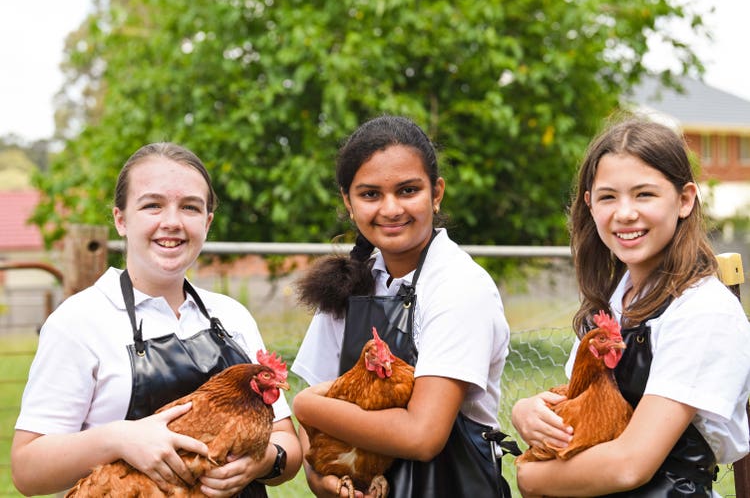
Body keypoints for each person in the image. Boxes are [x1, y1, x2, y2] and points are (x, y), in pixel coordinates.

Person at [11, 142, 302, 496]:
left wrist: (262, 459)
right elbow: (27, 470)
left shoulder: (231, 316)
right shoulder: (79, 322)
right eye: (152, 205)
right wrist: (117, 438)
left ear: (207, 223)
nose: (172, 222)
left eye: (190, 208)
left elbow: (289, 443)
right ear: (121, 219)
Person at [512, 117, 750, 496]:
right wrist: (525, 411)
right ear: (589, 205)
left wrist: (530, 477)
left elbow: (630, 465)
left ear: (685, 200)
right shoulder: (614, 302)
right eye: (608, 197)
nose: (624, 213)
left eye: (644, 195)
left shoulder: (702, 310)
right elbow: (584, 401)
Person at [291, 114, 515, 498]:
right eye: (370, 194)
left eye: (408, 190)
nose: (391, 209)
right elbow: (314, 441)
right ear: (348, 202)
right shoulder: (349, 284)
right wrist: (327, 479)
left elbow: (422, 435)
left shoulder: (459, 286)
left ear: (437, 192)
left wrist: (306, 405)